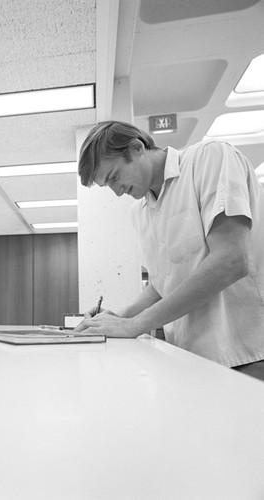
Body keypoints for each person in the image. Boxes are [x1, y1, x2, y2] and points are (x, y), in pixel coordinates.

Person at [75, 120, 264, 380]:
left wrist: (134, 325)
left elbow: (230, 259)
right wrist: (118, 317)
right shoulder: (140, 212)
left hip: (247, 352)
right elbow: (163, 282)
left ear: (137, 148)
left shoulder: (210, 158)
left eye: (114, 177)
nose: (117, 193)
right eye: (108, 186)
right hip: (188, 357)